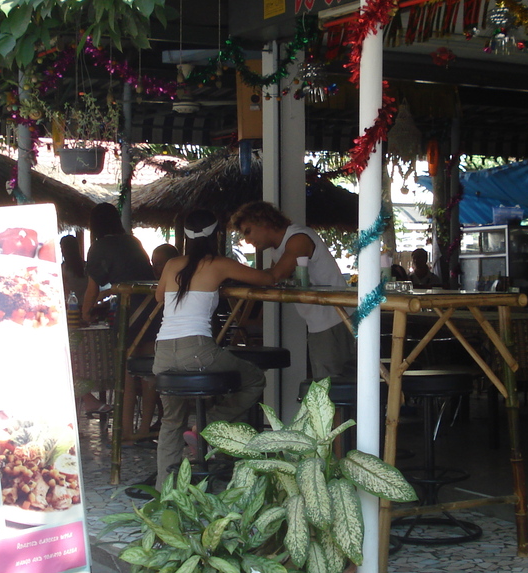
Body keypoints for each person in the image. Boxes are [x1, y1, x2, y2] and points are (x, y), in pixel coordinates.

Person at [152, 209, 276, 483]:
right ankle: (204, 426)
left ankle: (164, 489)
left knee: (171, 421)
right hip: (197, 351)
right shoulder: (219, 264)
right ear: (217, 234)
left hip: (162, 354)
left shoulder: (173, 264)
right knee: (254, 378)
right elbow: (267, 280)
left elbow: (160, 295)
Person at [229, 201, 356, 381]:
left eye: (248, 231)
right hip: (322, 322)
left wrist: (231, 272)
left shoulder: (298, 239)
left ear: (263, 222)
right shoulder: (278, 248)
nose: (247, 240)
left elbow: (274, 276)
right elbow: (273, 278)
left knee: (330, 391)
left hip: (335, 319)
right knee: (327, 389)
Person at [81, 203, 154, 323]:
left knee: (124, 339)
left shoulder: (100, 246)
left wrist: (85, 313)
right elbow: (135, 275)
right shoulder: (133, 241)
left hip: (130, 308)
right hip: (151, 304)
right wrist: (108, 292)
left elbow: (92, 290)